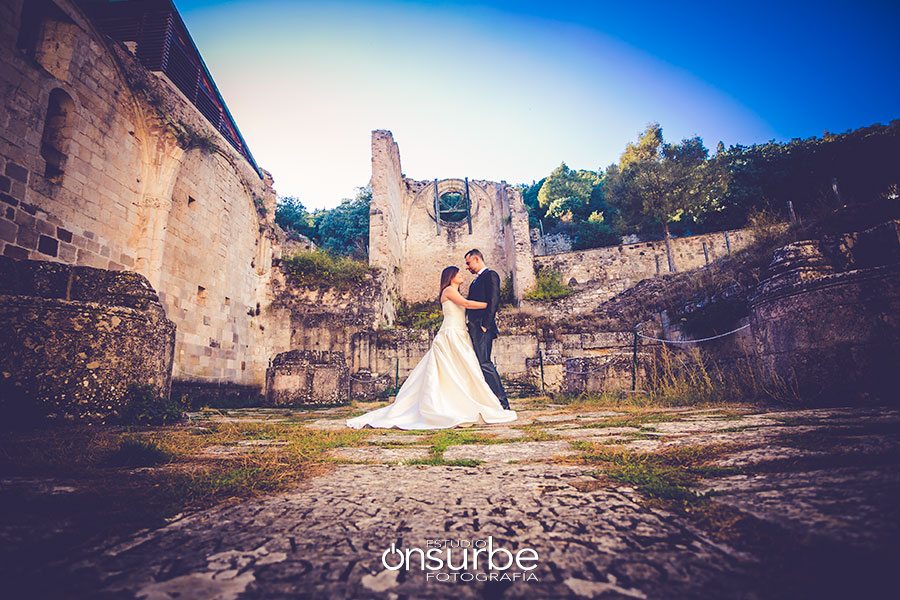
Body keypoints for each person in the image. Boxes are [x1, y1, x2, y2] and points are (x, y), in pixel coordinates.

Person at [346, 266, 517, 430]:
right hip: (451, 334)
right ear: (451, 277)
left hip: (460, 333)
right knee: (454, 369)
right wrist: (490, 304)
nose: (461, 275)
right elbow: (465, 304)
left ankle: (459, 402)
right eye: (458, 273)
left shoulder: (455, 291)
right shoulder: (449, 291)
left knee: (462, 370)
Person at [463, 249, 511, 409]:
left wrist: (485, 325)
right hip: (473, 327)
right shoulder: (475, 281)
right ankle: (488, 401)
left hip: (482, 327)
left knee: (484, 363)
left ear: (477, 259)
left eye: (468, 263)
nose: (467, 267)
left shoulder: (491, 275)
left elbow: (494, 299)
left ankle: (502, 403)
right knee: (478, 364)